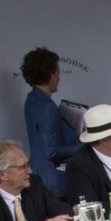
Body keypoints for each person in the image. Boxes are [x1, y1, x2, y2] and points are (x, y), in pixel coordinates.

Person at [20, 47, 78, 199]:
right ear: (50, 74)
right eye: (58, 72)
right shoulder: (47, 107)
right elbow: (51, 151)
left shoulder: (31, 99)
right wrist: (83, 145)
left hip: (41, 176)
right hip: (55, 181)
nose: (59, 77)